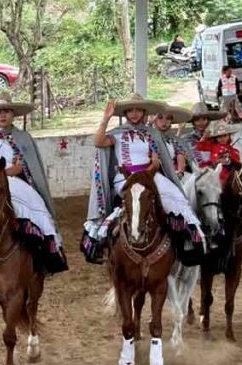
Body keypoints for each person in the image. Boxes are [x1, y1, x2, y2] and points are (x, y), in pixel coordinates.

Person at [82, 94, 204, 265]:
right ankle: (104, 239)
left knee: (176, 195)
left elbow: (155, 161)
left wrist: (146, 173)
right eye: (130, 110)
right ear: (125, 113)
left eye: (138, 110)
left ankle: (187, 239)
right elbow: (99, 142)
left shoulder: (151, 134)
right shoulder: (116, 134)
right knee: (133, 201)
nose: (134, 114)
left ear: (144, 112)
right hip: (124, 178)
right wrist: (105, 119)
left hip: (149, 175)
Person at [0, 91, 67, 275]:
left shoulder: (22, 138)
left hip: (12, 181)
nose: (2, 115)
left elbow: (19, 167)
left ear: (13, 114)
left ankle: (46, 251)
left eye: (6, 111)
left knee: (37, 209)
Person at [150, 105, 192, 176]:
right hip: (154, 174)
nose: (164, 121)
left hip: (174, 173)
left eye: (168, 118)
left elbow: (180, 154)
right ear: (154, 120)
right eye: (160, 118)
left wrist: (180, 171)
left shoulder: (173, 140)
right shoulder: (148, 137)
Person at [181, 102, 227, 167]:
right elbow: (196, 159)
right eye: (197, 120)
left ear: (208, 120)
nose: (201, 123)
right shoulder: (187, 138)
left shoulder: (215, 138)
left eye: (204, 119)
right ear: (193, 122)